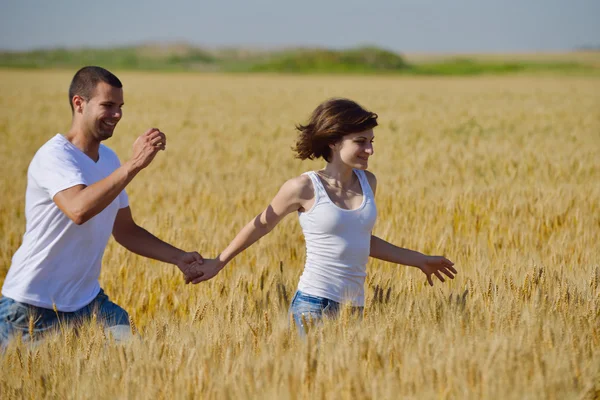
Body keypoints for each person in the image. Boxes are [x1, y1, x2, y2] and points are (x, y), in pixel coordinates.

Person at [187, 98, 457, 332]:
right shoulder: (303, 187)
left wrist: (419, 260)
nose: (370, 150)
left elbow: (361, 240)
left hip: (355, 307)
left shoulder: (368, 182)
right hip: (314, 305)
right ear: (333, 142)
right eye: (361, 142)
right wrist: (218, 263)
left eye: (372, 142)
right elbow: (260, 225)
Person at [0, 66, 204, 347]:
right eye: (108, 105)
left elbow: (126, 230)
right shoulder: (54, 156)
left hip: (87, 303)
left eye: (120, 106)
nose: (117, 114)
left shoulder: (108, 159)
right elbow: (78, 210)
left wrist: (179, 258)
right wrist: (134, 165)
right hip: (30, 307)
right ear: (79, 104)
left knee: (139, 363)